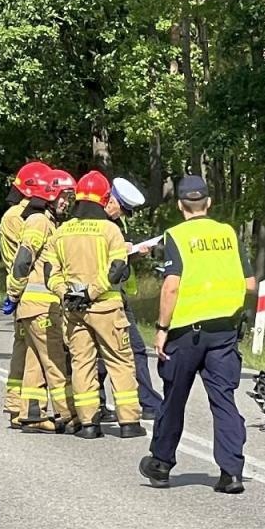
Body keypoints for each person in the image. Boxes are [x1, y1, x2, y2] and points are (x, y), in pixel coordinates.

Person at [139, 173, 256, 492]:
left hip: (186, 333)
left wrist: (161, 329)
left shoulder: (175, 235)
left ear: (180, 205)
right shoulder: (228, 234)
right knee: (224, 400)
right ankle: (231, 471)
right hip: (224, 331)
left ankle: (161, 464)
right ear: (209, 202)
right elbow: (249, 284)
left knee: (174, 398)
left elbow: (171, 286)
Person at [54, 170, 145, 438]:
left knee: (82, 363)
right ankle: (129, 423)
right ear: (104, 198)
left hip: (73, 310)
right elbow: (117, 268)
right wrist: (92, 292)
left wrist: (67, 293)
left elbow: (51, 271)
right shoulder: (110, 230)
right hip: (105, 308)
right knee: (120, 362)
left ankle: (89, 424)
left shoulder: (62, 231)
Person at [3, 170, 76, 431]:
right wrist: (13, 292)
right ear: (50, 196)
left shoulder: (46, 222)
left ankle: (32, 413)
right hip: (41, 306)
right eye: (63, 197)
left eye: (70, 198)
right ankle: (71, 415)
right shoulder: (39, 222)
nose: (67, 202)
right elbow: (24, 260)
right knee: (55, 361)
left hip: (34, 307)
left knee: (34, 360)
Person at [101, 175, 164, 420]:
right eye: (121, 208)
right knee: (105, 352)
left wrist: (136, 253)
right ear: (110, 199)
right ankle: (96, 403)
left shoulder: (114, 225)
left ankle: (146, 401)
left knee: (135, 349)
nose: (122, 215)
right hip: (103, 297)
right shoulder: (101, 225)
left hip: (117, 296)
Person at [0, 163, 51, 424]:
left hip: (23, 291)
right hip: (28, 292)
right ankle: (24, 408)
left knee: (25, 348)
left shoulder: (20, 215)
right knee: (28, 351)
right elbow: (26, 256)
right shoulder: (22, 217)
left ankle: (17, 406)